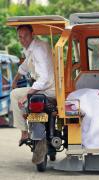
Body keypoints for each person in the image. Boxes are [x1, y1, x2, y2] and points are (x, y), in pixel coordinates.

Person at [10, 25, 55, 163]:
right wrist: (15, 79)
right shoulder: (31, 48)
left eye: (26, 36)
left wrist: (27, 95)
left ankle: (24, 132)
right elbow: (24, 67)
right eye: (20, 37)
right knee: (15, 91)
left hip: (48, 90)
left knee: (15, 95)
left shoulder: (38, 50)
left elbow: (44, 79)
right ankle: (25, 132)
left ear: (32, 34)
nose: (23, 39)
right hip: (43, 89)